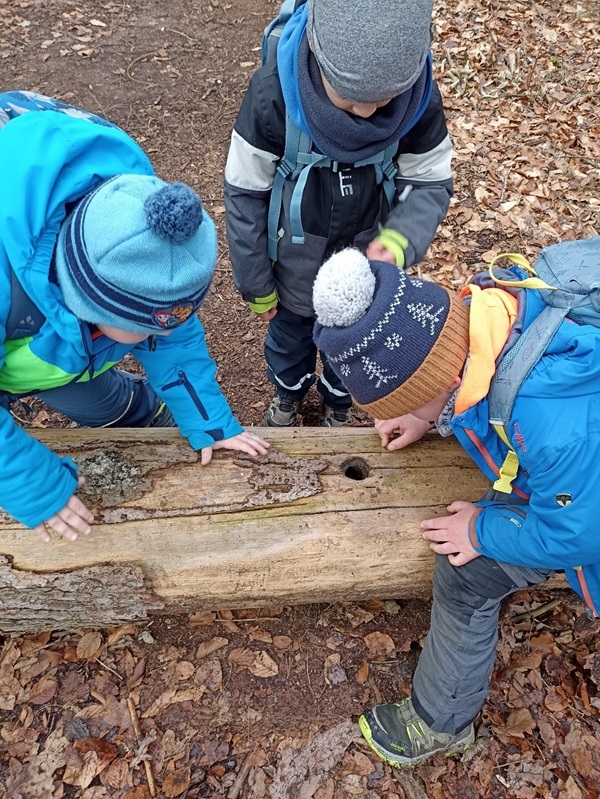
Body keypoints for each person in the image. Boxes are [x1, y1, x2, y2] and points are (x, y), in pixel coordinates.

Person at [312, 246, 600, 766]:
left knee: (465, 576)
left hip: (582, 504)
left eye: (402, 403)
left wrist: (481, 533)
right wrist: (430, 416)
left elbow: (577, 535)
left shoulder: (547, 421)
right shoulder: (491, 304)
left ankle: (439, 723)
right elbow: (454, 374)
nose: (395, 415)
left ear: (438, 382)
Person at [0, 90, 269, 544]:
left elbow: (174, 340)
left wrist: (211, 425)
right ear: (85, 302)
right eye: (141, 327)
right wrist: (32, 485)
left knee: (98, 402)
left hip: (56, 350)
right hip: (26, 327)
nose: (154, 336)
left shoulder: (141, 234)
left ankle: (139, 412)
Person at [224, 0, 453, 427]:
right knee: (289, 342)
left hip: (365, 270)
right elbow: (244, 192)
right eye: (349, 98)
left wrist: (399, 239)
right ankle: (287, 395)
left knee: (354, 349)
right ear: (317, 52)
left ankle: (339, 402)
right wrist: (254, 281)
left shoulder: (419, 98)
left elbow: (429, 181)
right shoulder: (273, 93)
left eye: (385, 100)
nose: (367, 112)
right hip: (291, 266)